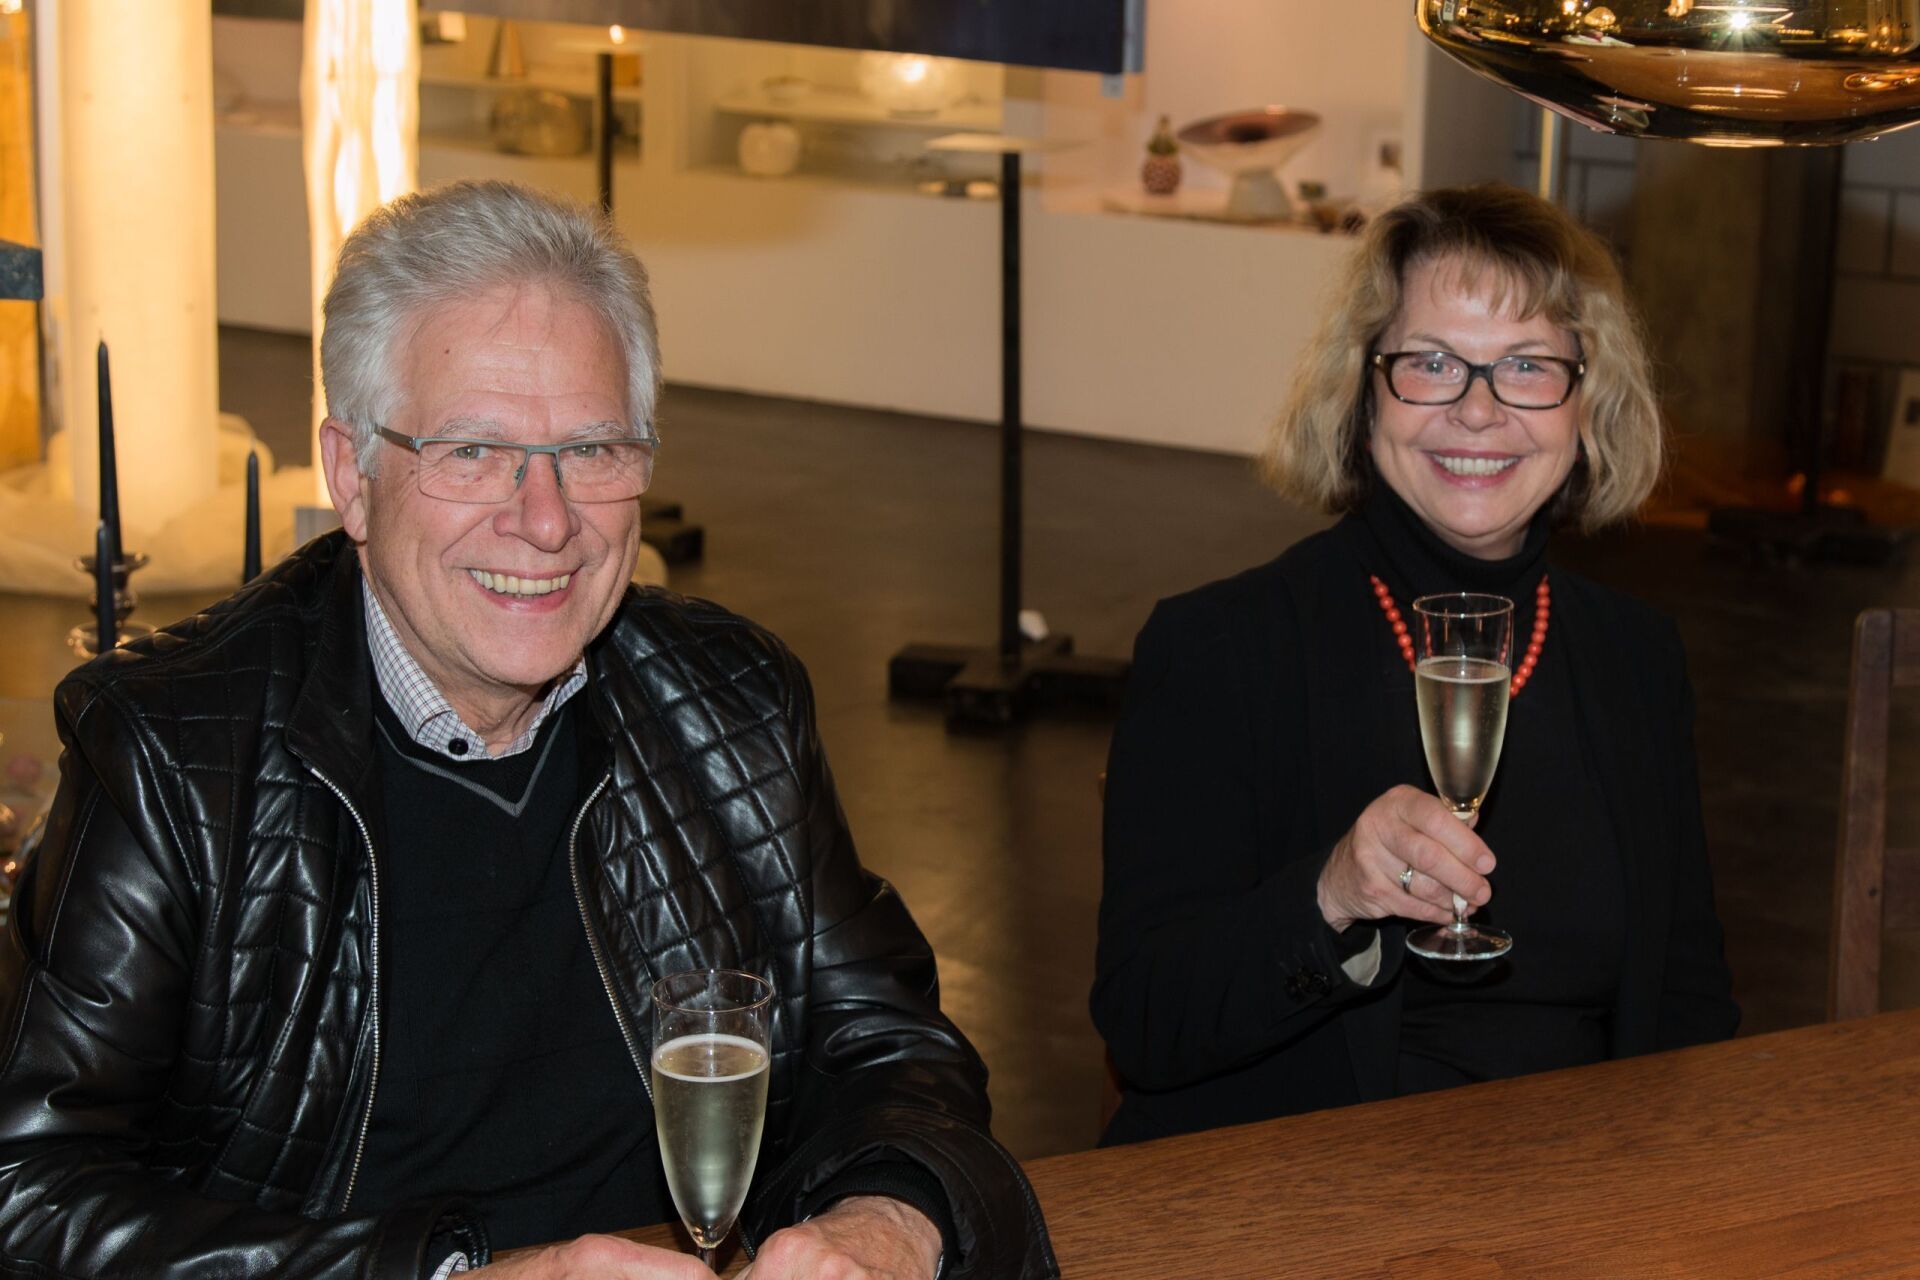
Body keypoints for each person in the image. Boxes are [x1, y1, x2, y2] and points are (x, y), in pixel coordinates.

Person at [0, 180, 1056, 1279]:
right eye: (473, 451)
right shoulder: (176, 755)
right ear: (353, 476)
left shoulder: (730, 702)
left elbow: (889, 1048)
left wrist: (884, 1223)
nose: (546, 520)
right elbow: (25, 1196)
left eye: (594, 450)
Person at [1090, 184, 1739, 1145]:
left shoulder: (1635, 656)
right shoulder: (1223, 646)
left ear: (1586, 404)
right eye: (1432, 363)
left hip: (1584, 1195)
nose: (1478, 412)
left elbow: (1688, 1005)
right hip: (1315, 1196)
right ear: (1362, 391)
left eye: (1526, 366)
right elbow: (1147, 1026)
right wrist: (1330, 897)